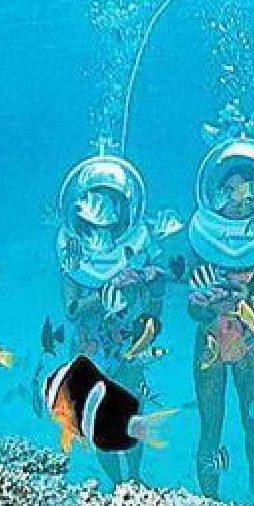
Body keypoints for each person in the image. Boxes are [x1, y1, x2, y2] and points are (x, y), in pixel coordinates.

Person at [186, 139, 254, 501]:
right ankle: (209, 500)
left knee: (252, 418)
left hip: (249, 343)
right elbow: (193, 310)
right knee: (209, 423)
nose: (237, 198)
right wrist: (203, 303)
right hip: (210, 342)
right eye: (229, 189)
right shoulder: (201, 237)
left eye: (245, 191)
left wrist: (245, 298)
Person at [54, 153, 165, 486]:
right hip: (91, 349)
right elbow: (71, 310)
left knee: (133, 408)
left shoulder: (139, 245)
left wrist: (150, 291)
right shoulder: (71, 251)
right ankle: (117, 485)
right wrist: (104, 291)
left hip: (129, 343)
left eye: (111, 203)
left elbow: (155, 306)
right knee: (97, 417)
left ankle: (135, 477)